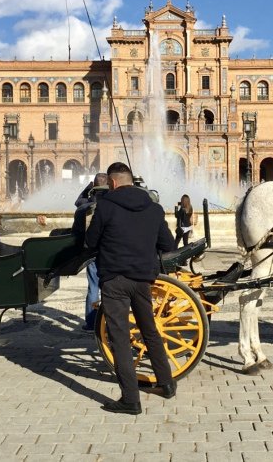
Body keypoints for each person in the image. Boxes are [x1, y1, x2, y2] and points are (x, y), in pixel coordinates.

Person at [86, 162, 175, 415]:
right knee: (150, 331)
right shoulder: (154, 208)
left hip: (115, 280)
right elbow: (167, 244)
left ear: (113, 183)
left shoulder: (105, 206)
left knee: (120, 339)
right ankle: (166, 383)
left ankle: (130, 399)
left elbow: (91, 242)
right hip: (143, 280)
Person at [72, 173, 107, 332]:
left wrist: (88, 187)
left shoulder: (86, 205)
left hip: (92, 252)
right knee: (110, 286)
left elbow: (77, 201)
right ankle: (108, 320)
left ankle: (92, 323)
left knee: (93, 287)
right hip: (110, 251)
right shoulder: (113, 203)